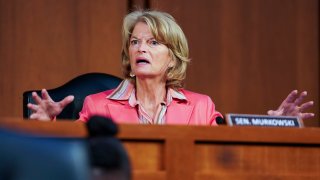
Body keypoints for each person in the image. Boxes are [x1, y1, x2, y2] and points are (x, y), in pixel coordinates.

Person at [27, 10, 314, 125]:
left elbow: (224, 153)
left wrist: (274, 124)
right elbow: (75, 158)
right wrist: (49, 126)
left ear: (173, 57)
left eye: (153, 43)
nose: (141, 48)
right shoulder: (96, 105)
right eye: (135, 42)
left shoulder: (201, 107)